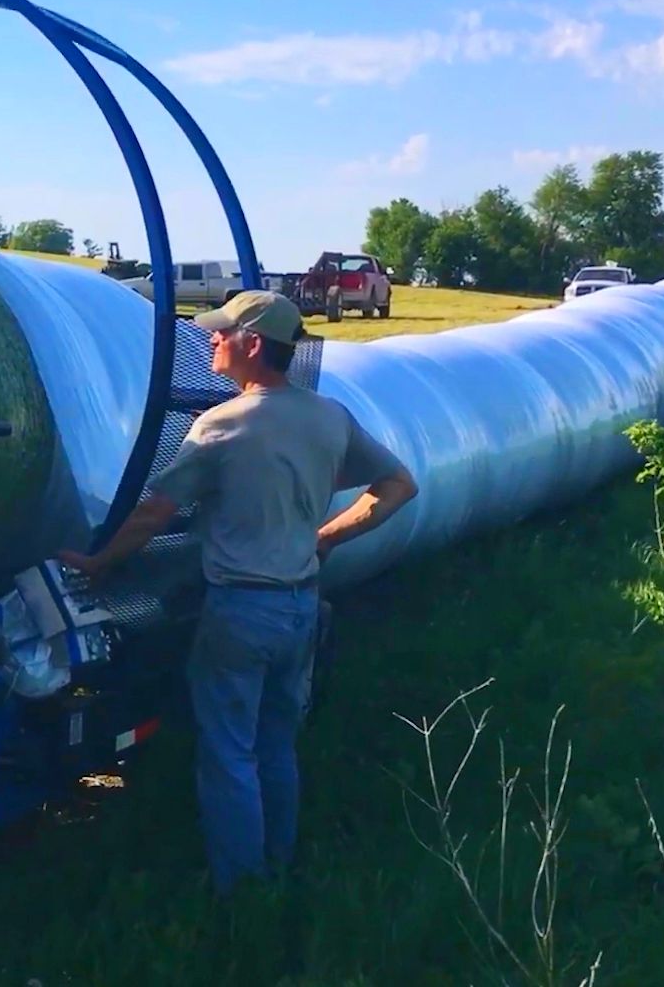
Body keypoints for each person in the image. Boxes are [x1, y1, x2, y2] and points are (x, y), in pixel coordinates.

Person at [59, 290, 417, 893]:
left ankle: (241, 892)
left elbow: (153, 516)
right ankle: (280, 866)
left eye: (221, 333)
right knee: (278, 746)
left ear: (253, 345)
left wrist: (98, 562)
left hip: (241, 612)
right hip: (303, 603)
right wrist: (324, 538)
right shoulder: (329, 417)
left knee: (229, 754)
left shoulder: (223, 425)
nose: (211, 341)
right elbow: (398, 485)